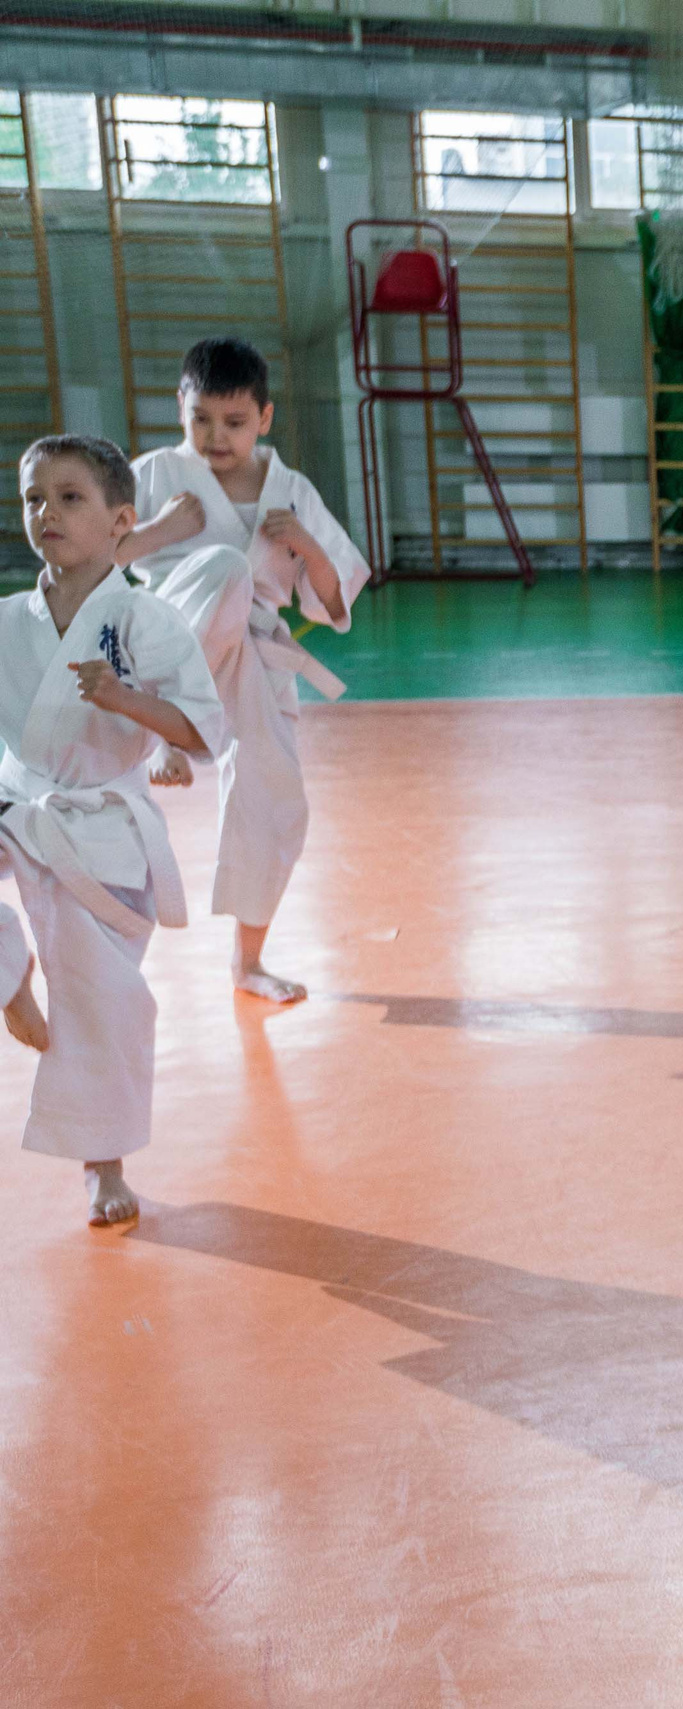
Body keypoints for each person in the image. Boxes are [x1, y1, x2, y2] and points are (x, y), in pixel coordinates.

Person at [7, 435, 225, 1224]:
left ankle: (105, 1166)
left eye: (69, 498)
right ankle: (10, 975)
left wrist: (125, 699)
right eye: (34, 498)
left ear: (120, 519)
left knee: (102, 1001)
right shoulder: (6, 621)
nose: (46, 513)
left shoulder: (144, 619)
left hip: (104, 829)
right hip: (22, 804)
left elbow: (203, 731)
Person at [120, 336, 369, 1005]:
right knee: (226, 572)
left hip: (252, 657)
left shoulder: (291, 491)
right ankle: (169, 730)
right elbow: (93, 565)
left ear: (264, 417)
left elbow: (334, 595)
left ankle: (248, 962)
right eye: (200, 418)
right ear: (180, 405)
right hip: (168, 643)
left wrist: (307, 544)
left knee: (276, 802)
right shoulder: (150, 478)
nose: (215, 436)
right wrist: (160, 533)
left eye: (233, 422)